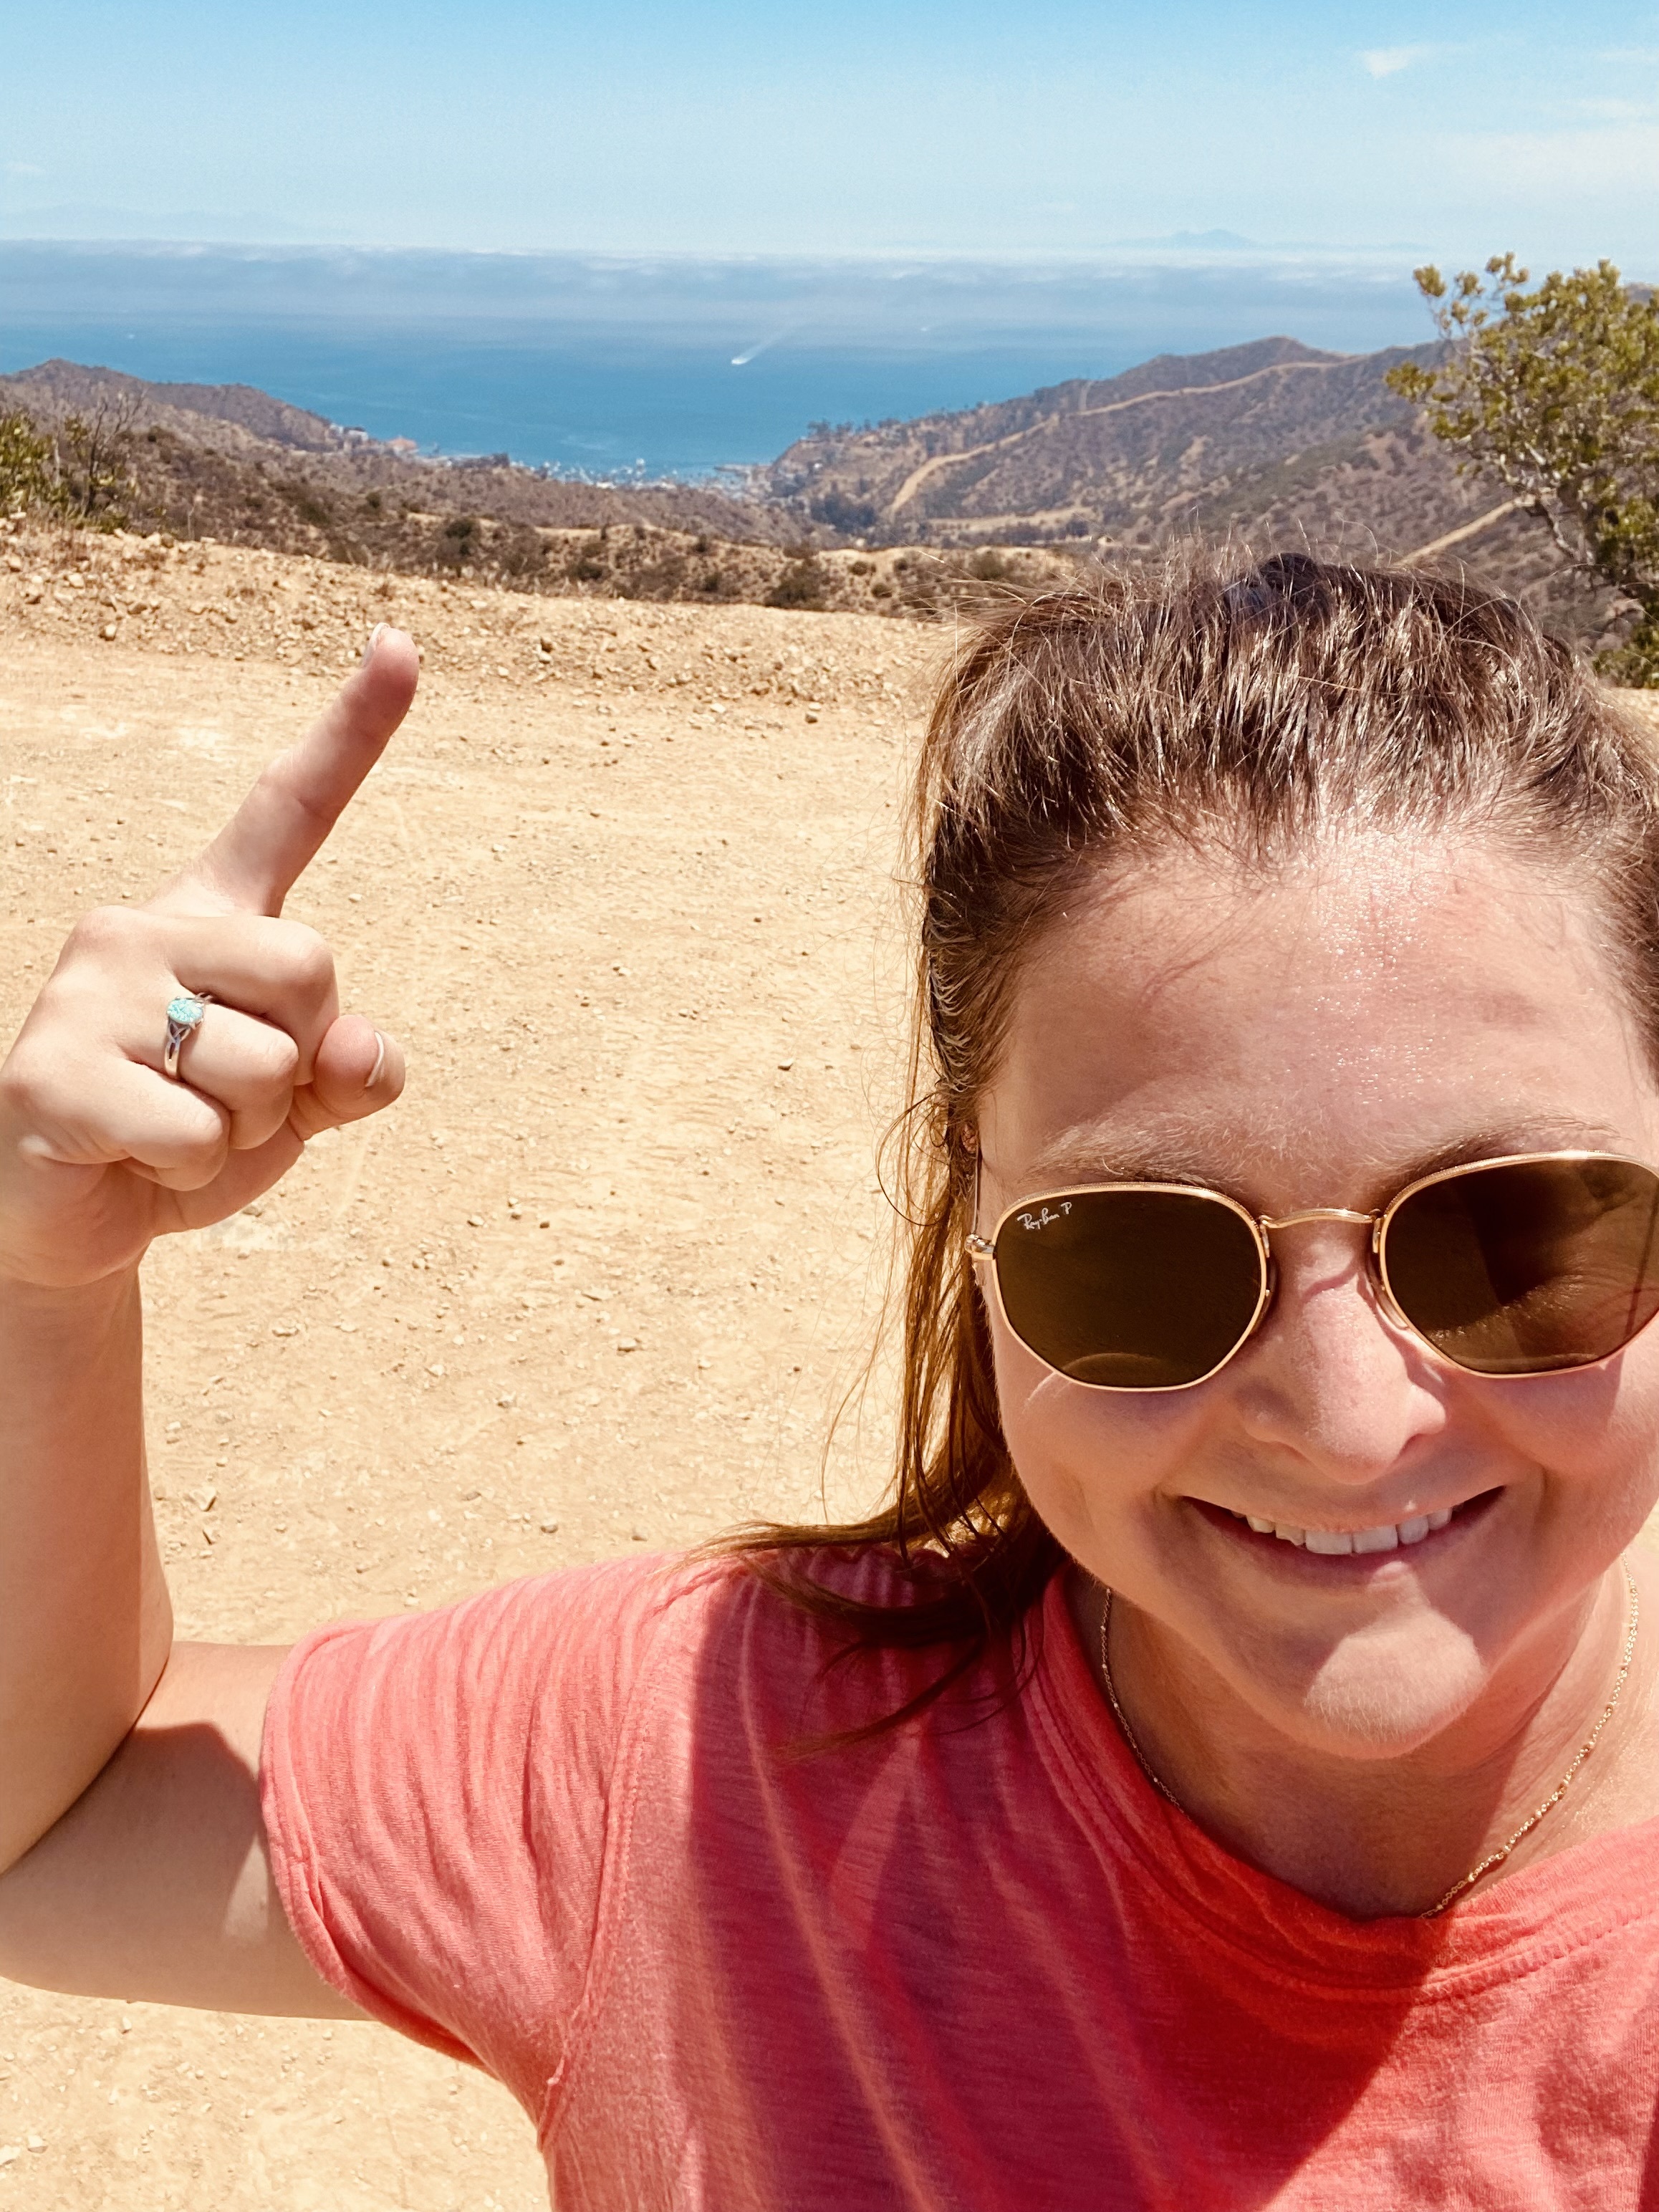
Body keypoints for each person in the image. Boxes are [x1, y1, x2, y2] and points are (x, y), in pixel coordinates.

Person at [4, 551, 1659, 2209]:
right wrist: (40, 1286)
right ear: (975, 1219)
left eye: (1511, 1235)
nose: (1354, 1416)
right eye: (1145, 1256)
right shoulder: (707, 1766)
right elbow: (48, 1822)